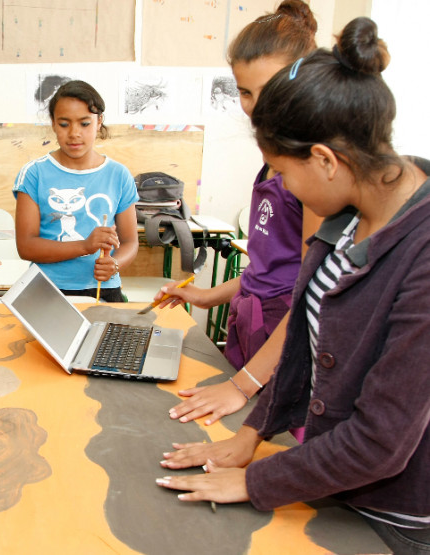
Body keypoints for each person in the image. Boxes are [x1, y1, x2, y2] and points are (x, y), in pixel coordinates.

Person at [156, 18, 430, 554]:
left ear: (325, 160)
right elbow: (304, 337)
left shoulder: (420, 251)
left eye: (283, 171)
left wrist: (257, 480)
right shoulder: (348, 212)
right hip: (332, 485)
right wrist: (250, 436)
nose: (279, 185)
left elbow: (380, 442)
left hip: (393, 516)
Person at [157, 0, 322, 426]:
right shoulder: (271, 161)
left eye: (268, 90)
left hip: (283, 343)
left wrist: (242, 384)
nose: (253, 106)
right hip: (251, 329)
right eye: (245, 92)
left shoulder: (315, 170)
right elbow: (266, 270)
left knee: (273, 441)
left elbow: (308, 295)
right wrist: (204, 296)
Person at [13, 80, 139, 302]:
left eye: (84, 123)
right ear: (53, 123)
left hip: (103, 288)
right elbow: (26, 246)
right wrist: (84, 246)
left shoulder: (118, 175)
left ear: (99, 122)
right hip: (47, 290)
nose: (74, 133)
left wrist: (115, 264)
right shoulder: (34, 174)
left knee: (106, 338)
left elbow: (130, 241)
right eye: (64, 124)